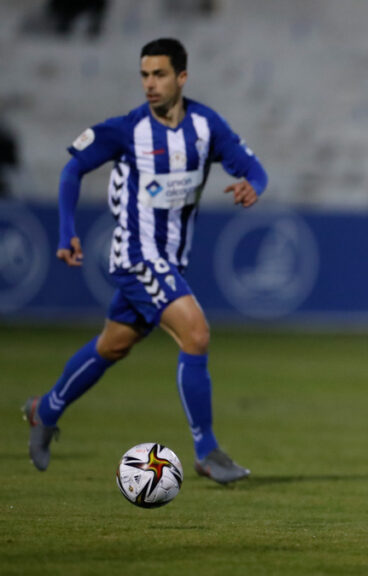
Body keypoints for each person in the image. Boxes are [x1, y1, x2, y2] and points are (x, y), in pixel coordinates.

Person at [22, 38, 266, 485]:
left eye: (159, 74)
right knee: (196, 333)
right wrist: (65, 231)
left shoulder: (205, 126)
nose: (150, 84)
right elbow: (72, 169)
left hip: (170, 258)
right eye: (144, 75)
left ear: (182, 77)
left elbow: (253, 167)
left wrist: (253, 184)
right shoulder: (126, 129)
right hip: (137, 256)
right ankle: (207, 451)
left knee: (113, 345)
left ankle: (45, 410)